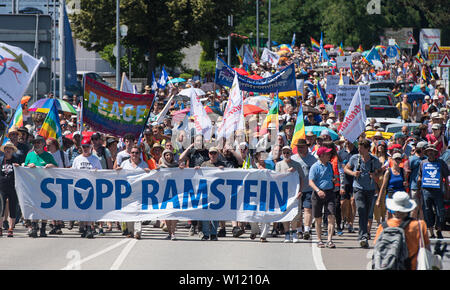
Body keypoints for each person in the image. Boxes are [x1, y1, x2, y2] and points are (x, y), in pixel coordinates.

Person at [373, 191, 430, 270]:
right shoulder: (419, 225)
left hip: (388, 266)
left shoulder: (383, 227)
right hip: (410, 266)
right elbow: (427, 249)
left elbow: (377, 248)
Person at [344, 139, 382, 248]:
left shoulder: (374, 160)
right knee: (361, 210)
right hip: (358, 188)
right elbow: (346, 168)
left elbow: (380, 171)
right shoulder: (354, 158)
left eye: (361, 148)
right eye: (359, 148)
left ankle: (362, 235)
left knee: (366, 213)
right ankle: (364, 236)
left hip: (370, 189)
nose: (359, 150)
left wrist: (375, 176)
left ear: (367, 149)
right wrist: (353, 173)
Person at [24, 135, 58, 238]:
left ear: (43, 144)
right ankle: (34, 227)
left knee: (44, 207)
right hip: (33, 185)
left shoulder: (48, 156)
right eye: (35, 143)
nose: (37, 144)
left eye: (39, 142)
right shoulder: (30, 155)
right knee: (34, 207)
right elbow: (23, 168)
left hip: (45, 186)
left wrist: (51, 166)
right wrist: (28, 166)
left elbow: (57, 167)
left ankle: (43, 228)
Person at [117, 145, 151, 239]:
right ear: (130, 154)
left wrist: (149, 172)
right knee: (129, 211)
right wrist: (117, 171)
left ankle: (138, 231)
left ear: (140, 154)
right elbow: (118, 175)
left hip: (139, 192)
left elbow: (149, 177)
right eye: (133, 153)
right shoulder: (124, 163)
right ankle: (131, 231)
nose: (134, 154)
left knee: (137, 211)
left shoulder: (144, 164)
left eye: (136, 153)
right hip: (127, 191)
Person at [71, 137, 103, 238]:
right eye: (83, 147)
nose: (85, 149)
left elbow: (101, 172)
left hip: (91, 186)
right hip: (80, 186)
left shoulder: (95, 159)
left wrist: (97, 172)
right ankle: (84, 228)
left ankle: (89, 228)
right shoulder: (77, 159)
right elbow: (72, 173)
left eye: (87, 147)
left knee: (89, 208)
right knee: (82, 209)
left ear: (91, 147)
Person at [417, 144, 449, 239]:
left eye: (432, 151)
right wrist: (418, 188)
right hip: (426, 191)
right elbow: (420, 176)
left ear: (435, 153)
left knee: (440, 211)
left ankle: (439, 230)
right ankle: (431, 232)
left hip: (438, 191)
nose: (431, 153)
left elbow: (446, 178)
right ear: (426, 153)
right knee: (427, 211)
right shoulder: (423, 163)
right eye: (429, 151)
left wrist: (447, 190)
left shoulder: (441, 163)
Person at [309, 146, 337, 249]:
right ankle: (319, 240)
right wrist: (318, 190)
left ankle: (329, 240)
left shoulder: (329, 165)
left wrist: (333, 180)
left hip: (329, 193)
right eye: (327, 154)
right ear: (321, 155)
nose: (329, 155)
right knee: (318, 218)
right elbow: (311, 181)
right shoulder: (315, 167)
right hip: (317, 194)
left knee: (331, 216)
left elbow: (331, 177)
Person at [275, 146, 304, 243]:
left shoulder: (297, 164)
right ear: (282, 154)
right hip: (283, 193)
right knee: (285, 213)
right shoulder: (278, 165)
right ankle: (287, 233)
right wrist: (286, 173)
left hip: (294, 193)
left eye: (288, 152)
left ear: (291, 153)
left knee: (295, 213)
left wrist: (300, 190)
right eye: (284, 153)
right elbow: (276, 178)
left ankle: (294, 232)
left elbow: (302, 178)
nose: (286, 154)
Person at [291, 139, 317, 240]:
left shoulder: (313, 159)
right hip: (295, 190)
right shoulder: (292, 159)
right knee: (297, 211)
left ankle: (306, 229)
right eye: (298, 147)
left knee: (307, 209)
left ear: (307, 147)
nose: (300, 149)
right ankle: (299, 230)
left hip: (309, 189)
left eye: (302, 147)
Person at [198, 147, 226, 241]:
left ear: (217, 154)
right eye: (211, 153)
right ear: (208, 154)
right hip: (206, 192)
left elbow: (228, 176)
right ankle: (206, 234)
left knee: (215, 215)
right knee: (205, 214)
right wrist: (197, 169)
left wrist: (224, 170)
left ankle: (214, 234)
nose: (213, 155)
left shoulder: (221, 164)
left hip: (217, 193)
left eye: (214, 153)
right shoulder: (204, 164)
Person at [159, 149, 181, 240]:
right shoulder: (161, 167)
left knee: (174, 212)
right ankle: (169, 232)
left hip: (175, 192)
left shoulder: (176, 166)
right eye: (166, 155)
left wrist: (182, 169)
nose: (168, 157)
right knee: (167, 213)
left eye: (170, 155)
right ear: (164, 156)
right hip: (164, 192)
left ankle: (173, 232)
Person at [0, 142, 20, 237]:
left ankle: (11, 228)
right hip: (2, 188)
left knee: (12, 207)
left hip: (13, 188)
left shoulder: (16, 160)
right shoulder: (0, 160)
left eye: (10, 148)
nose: (8, 150)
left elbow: (22, 172)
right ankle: (0, 228)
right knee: (1, 208)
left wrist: (18, 167)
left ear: (13, 151)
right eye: (6, 148)